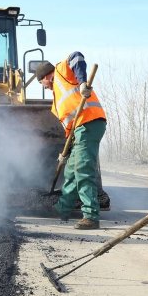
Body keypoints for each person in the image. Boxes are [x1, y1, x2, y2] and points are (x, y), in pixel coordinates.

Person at [36, 55, 108, 229]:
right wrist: (65, 153)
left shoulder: (61, 71)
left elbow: (77, 57)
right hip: (78, 131)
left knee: (83, 170)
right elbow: (69, 127)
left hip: (89, 122)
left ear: (46, 76)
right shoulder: (56, 101)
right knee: (70, 171)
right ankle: (63, 208)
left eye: (41, 83)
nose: (43, 87)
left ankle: (91, 216)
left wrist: (83, 83)